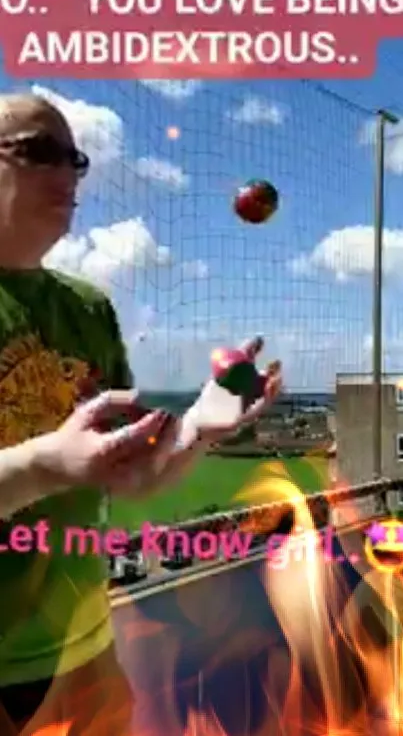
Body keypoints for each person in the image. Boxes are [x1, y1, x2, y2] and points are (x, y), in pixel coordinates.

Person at [0, 93, 282, 735]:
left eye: (76, 158)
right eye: (40, 151)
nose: (69, 173)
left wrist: (198, 432)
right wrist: (44, 464)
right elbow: (59, 465)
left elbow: (130, 480)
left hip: (86, 658)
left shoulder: (88, 308)